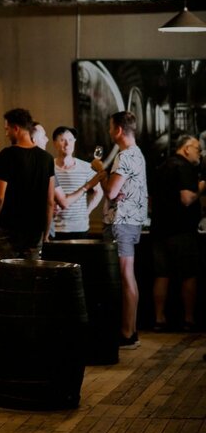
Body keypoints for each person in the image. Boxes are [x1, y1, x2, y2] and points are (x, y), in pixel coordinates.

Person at [90, 111, 148, 349]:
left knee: (124, 276)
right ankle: (130, 330)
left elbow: (112, 192)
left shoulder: (124, 157)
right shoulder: (138, 154)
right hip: (132, 221)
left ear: (118, 130)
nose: (109, 131)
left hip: (120, 222)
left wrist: (99, 170)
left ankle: (126, 333)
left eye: (110, 127)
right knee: (129, 277)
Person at [0, 109, 55, 289]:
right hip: (34, 229)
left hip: (8, 227)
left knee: (1, 274)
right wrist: (46, 232)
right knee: (31, 276)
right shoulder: (47, 159)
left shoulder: (7, 155)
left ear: (16, 128)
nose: (6, 133)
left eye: (7, 129)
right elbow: (50, 201)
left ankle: (1, 315)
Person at [150, 135, 202, 331]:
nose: (199, 153)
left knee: (161, 275)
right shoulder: (184, 167)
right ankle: (189, 320)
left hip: (159, 231)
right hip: (181, 231)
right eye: (197, 148)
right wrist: (201, 188)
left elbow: (151, 200)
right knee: (189, 274)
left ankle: (159, 320)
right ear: (187, 148)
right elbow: (187, 198)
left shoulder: (162, 166)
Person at [50, 126, 103, 240]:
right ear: (55, 143)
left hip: (79, 228)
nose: (67, 144)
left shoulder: (86, 167)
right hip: (55, 228)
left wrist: (86, 212)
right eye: (62, 140)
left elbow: (98, 192)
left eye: (71, 140)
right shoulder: (49, 167)